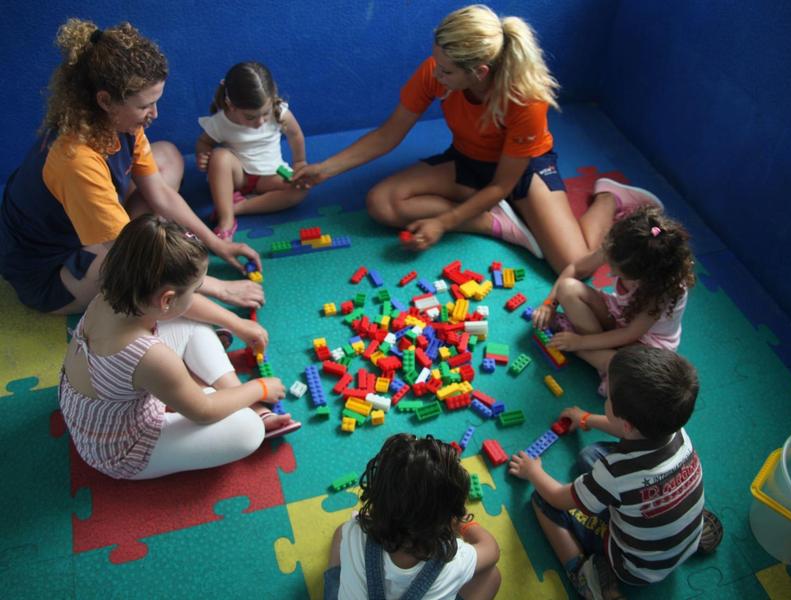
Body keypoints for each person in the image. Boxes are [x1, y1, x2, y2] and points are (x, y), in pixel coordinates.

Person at [294, 5, 650, 273]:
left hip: (524, 171)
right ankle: (499, 223)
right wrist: (325, 169)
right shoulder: (436, 71)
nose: (438, 74)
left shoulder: (525, 100)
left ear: (478, 72)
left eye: (447, 70)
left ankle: (609, 198)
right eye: (437, 63)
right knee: (382, 203)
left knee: (576, 267)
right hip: (467, 160)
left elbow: (502, 183)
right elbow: (390, 133)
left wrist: (443, 222)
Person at [0, 19, 264, 315]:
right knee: (139, 266)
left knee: (167, 157)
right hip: (51, 275)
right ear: (105, 101)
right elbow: (135, 256)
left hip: (84, 228)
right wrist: (217, 287)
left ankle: (122, 230)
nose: (154, 113)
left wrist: (217, 244)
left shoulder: (120, 122)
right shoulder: (76, 159)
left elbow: (160, 195)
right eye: (144, 106)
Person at [58, 215, 300, 480]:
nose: (197, 293)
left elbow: (182, 308)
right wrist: (259, 387)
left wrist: (237, 323)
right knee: (248, 430)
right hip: (122, 449)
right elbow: (203, 411)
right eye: (195, 288)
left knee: (193, 323)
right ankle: (249, 406)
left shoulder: (110, 297)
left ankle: (234, 394)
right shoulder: (152, 357)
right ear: (166, 299)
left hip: (96, 406)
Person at [509, 346, 723, 599]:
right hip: (684, 535)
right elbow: (627, 430)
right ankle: (678, 527)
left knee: (542, 500)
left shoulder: (617, 473)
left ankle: (583, 574)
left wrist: (532, 472)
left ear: (627, 423)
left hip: (634, 567)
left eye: (608, 399)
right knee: (590, 456)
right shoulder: (679, 435)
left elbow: (557, 496)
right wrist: (586, 419)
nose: (606, 401)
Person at [532, 199, 694, 395]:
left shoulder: (662, 290)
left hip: (644, 342)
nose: (610, 275)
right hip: (620, 315)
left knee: (636, 375)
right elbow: (575, 268)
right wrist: (550, 303)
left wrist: (579, 344)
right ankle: (599, 357)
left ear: (645, 275)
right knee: (567, 288)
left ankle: (585, 352)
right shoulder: (621, 247)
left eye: (619, 274)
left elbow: (630, 335)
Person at [325, 433, 501, 599]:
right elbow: (491, 550)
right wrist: (462, 524)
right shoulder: (454, 559)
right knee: (492, 577)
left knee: (341, 532)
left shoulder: (355, 531)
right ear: (448, 519)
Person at [195, 61, 308, 240]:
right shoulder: (221, 122)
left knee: (300, 189)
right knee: (219, 157)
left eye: (265, 113)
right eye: (250, 117)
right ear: (230, 105)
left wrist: (300, 162)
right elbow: (204, 142)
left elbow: (296, 135)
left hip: (270, 175)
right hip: (238, 177)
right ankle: (226, 220)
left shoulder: (279, 112)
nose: (260, 121)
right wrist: (203, 154)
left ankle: (238, 207)